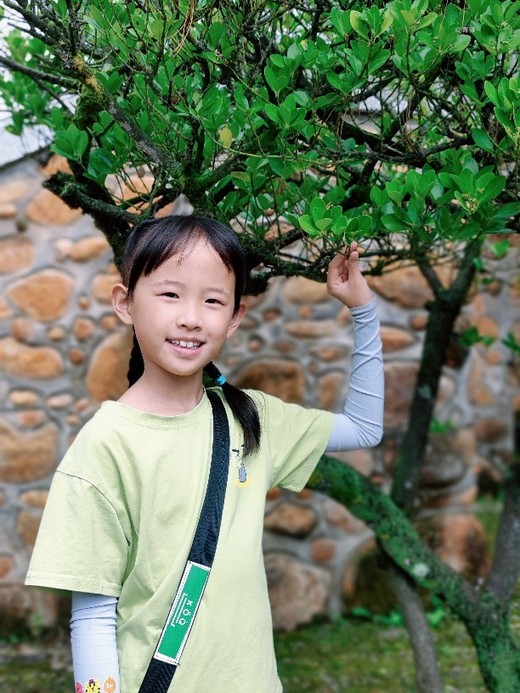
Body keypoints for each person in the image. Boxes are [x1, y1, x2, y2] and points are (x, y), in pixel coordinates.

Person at [26, 215, 384, 693]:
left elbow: (364, 427)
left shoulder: (250, 417)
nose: (191, 316)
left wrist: (363, 310)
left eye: (213, 300)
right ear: (125, 302)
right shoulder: (106, 445)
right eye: (170, 294)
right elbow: (92, 616)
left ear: (234, 317)